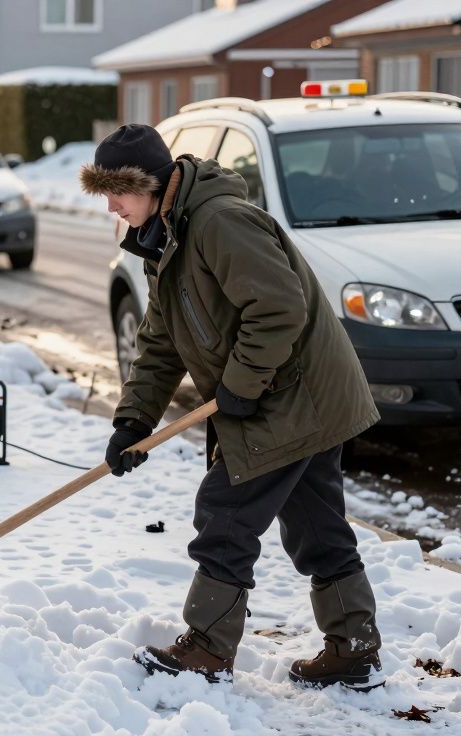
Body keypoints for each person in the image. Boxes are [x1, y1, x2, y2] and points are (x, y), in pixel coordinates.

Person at [80, 124, 384, 690]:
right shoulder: (163, 235)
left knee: (224, 515)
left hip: (293, 394)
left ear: (151, 183)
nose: (112, 205)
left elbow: (277, 309)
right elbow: (162, 339)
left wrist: (243, 384)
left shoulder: (218, 222)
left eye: (118, 190)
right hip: (286, 392)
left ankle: (208, 648)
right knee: (317, 526)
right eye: (104, 193)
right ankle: (353, 645)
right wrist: (133, 420)